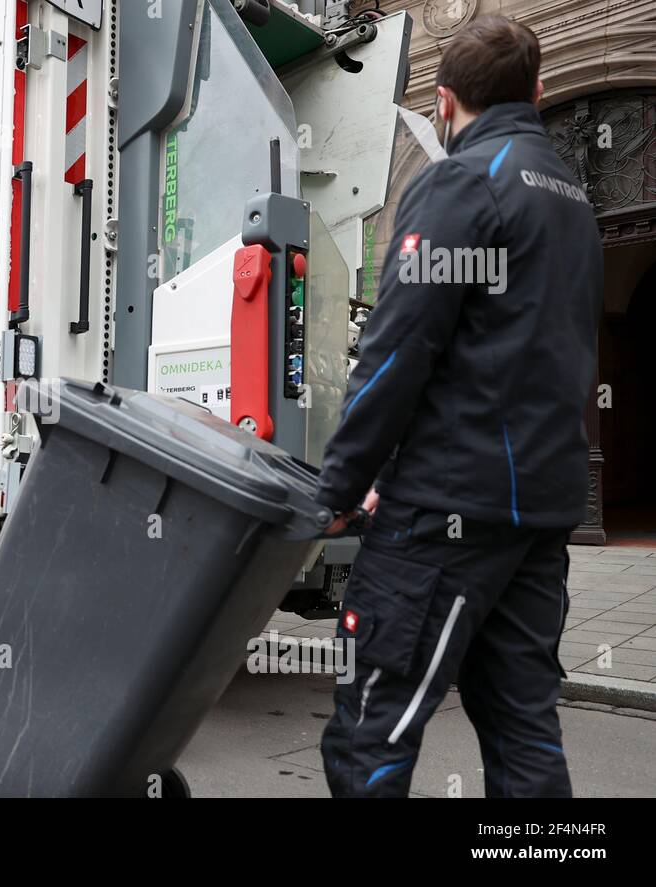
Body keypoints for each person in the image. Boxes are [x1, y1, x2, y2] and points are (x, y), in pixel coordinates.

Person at [315, 16, 602, 798]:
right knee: (524, 731)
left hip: (448, 511)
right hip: (539, 513)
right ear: (538, 91)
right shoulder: (573, 199)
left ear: (443, 102)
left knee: (372, 728)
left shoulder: (459, 184)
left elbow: (397, 352)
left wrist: (339, 488)